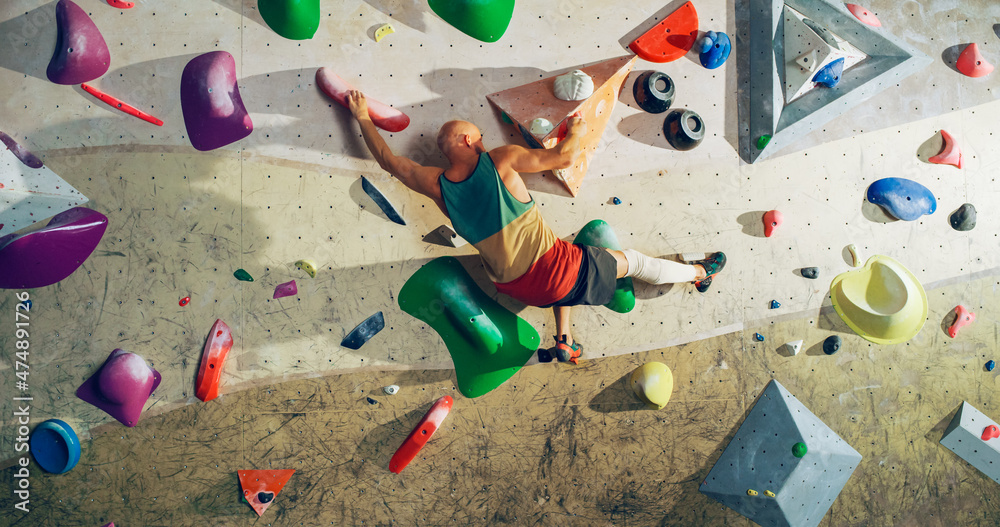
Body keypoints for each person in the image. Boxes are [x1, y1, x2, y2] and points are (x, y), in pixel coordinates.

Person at [346, 91, 725, 363]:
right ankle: (699, 272)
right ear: (467, 140)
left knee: (560, 256)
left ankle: (564, 341)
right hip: (553, 272)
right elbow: (563, 157)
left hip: (514, 284)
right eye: (479, 136)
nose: (483, 141)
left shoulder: (435, 184)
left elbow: (390, 161)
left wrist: (362, 115)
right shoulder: (500, 159)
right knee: (633, 262)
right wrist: (576, 129)